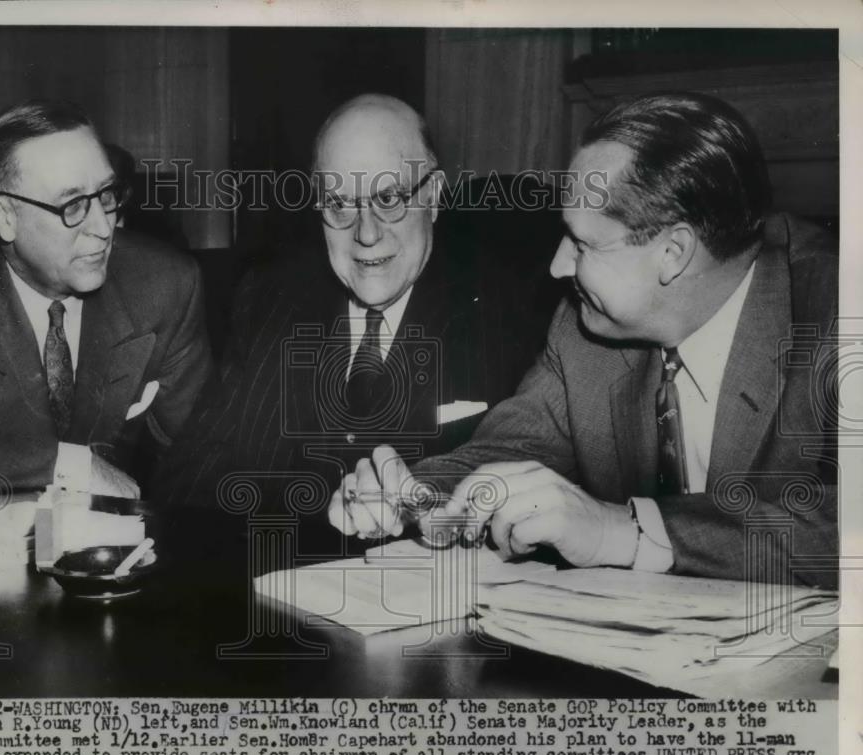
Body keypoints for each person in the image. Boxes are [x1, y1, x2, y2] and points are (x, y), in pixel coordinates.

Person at [329, 92, 838, 588]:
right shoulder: (584, 327)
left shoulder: (838, 315)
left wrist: (622, 530)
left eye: (583, 244)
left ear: (674, 253)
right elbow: (512, 447)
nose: (557, 266)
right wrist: (415, 493)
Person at [158, 94, 545, 513]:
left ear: (432, 195)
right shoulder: (271, 296)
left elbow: (527, 489)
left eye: (388, 199)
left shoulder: (507, 309)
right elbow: (189, 481)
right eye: (339, 204)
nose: (365, 234)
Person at [0, 100, 214, 499]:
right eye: (73, 205)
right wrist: (68, 465)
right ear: (5, 216)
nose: (103, 226)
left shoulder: (167, 284)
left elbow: (202, 456)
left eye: (107, 194)